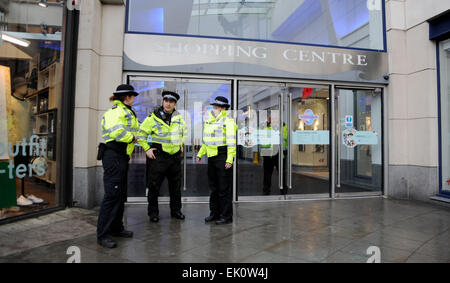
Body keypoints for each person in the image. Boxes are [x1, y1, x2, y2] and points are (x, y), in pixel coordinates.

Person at [97, 84, 140, 249]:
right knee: (112, 196)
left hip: (121, 157)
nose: (134, 99)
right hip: (113, 156)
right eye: (133, 96)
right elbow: (117, 133)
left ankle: (116, 228)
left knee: (120, 195)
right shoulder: (116, 112)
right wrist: (132, 138)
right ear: (127, 97)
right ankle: (103, 235)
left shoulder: (128, 112)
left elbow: (136, 132)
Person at [137, 91, 187, 223]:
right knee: (154, 186)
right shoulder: (153, 117)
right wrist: (147, 149)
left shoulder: (179, 118)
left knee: (175, 187)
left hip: (174, 158)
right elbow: (141, 134)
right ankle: (153, 213)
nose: (168, 103)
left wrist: (181, 144)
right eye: (166, 101)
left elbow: (183, 133)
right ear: (163, 101)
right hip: (158, 157)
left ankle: (176, 211)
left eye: (171, 101)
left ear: (175, 104)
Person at [197, 96, 237, 225]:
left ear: (224, 108)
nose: (215, 109)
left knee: (224, 188)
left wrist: (230, 159)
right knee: (214, 188)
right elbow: (206, 141)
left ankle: (226, 216)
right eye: (214, 107)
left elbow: (232, 143)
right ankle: (214, 213)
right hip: (212, 156)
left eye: (218, 107)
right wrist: (200, 153)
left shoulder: (228, 121)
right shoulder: (210, 121)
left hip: (223, 156)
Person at [261, 118, 288, 195]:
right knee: (267, 174)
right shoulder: (265, 128)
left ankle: (283, 191)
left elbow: (287, 140)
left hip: (280, 153)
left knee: (282, 174)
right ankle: (266, 191)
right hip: (268, 154)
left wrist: (285, 152)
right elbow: (262, 142)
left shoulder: (284, 127)